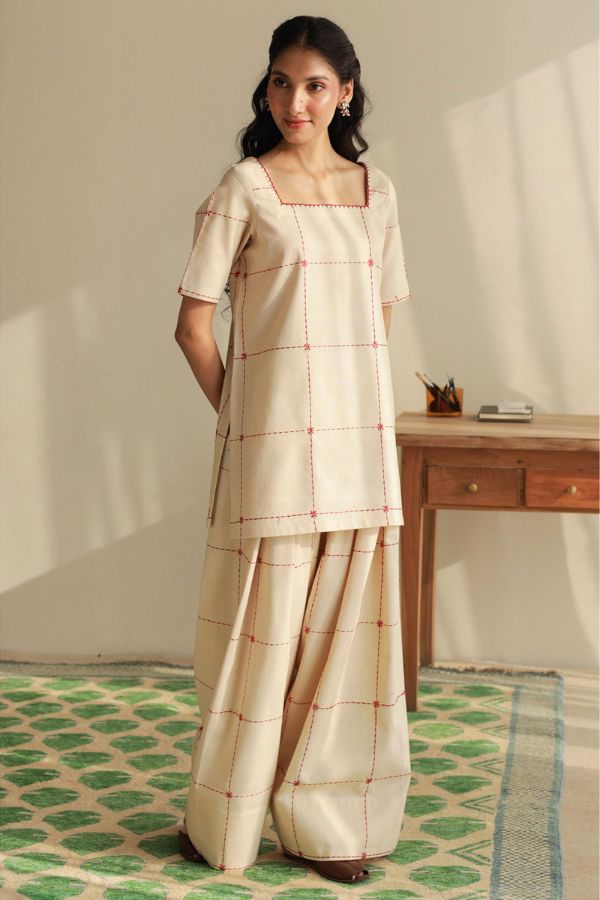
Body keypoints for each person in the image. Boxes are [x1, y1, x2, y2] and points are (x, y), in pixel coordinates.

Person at [173, 14, 412, 885]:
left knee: (351, 650)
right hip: (274, 452)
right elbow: (193, 326)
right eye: (280, 82)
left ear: (345, 90)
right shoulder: (246, 186)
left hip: (358, 449)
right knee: (260, 643)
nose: (294, 100)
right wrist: (244, 415)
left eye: (313, 84)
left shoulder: (375, 193)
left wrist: (365, 419)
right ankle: (221, 822)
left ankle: (333, 826)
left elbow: (378, 324)